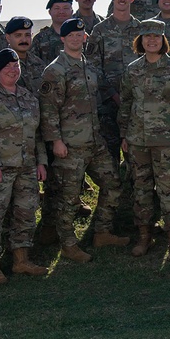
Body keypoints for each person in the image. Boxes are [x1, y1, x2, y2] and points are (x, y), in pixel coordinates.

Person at [39, 17, 129, 263]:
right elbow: (48, 110)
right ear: (63, 39)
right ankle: (68, 244)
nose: (77, 38)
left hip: (94, 141)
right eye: (72, 35)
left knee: (112, 185)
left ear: (85, 38)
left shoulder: (89, 67)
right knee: (68, 198)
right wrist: (56, 141)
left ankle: (102, 231)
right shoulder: (55, 70)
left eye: (80, 35)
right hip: (69, 145)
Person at [118, 19, 170, 262]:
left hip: (167, 142)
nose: (152, 40)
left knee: (169, 191)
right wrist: (124, 134)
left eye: (156, 36)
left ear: (164, 40)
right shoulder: (132, 69)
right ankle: (145, 236)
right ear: (139, 40)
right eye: (147, 36)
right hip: (138, 141)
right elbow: (126, 103)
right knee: (141, 190)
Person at [0, 49, 50, 284]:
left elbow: (37, 134)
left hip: (26, 167)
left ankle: (21, 260)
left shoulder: (28, 97)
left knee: (25, 213)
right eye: (7, 67)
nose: (13, 70)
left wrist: (41, 162)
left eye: (16, 67)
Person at [87, 0, 142, 167]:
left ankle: (133, 187)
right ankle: (114, 190)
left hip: (135, 100)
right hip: (107, 101)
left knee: (135, 152)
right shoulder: (100, 30)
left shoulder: (140, 30)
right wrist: (112, 94)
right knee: (110, 152)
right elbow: (93, 66)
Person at [30, 0, 74, 66]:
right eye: (57, 8)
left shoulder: (80, 37)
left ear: (72, 11)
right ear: (50, 12)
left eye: (65, 8)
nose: (61, 12)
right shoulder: (40, 39)